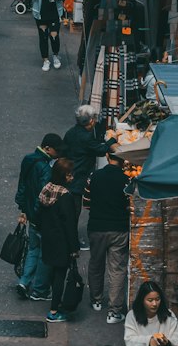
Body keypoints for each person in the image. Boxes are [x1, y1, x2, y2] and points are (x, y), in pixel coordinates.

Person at [15, 132, 63, 301]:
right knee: (44, 253)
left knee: (33, 249)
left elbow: (22, 185)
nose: (58, 154)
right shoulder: (45, 169)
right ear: (48, 149)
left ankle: (24, 281)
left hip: (29, 213)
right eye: (57, 151)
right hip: (40, 217)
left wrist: (23, 210)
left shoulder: (28, 159)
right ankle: (39, 290)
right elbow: (43, 196)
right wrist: (38, 213)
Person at [36, 155, 80, 324]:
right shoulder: (65, 196)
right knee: (60, 275)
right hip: (62, 242)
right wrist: (74, 248)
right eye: (69, 175)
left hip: (48, 238)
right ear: (63, 176)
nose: (72, 177)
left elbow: (40, 215)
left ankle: (51, 300)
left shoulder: (46, 190)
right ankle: (54, 310)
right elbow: (70, 225)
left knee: (53, 272)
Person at [87, 150, 130, 323]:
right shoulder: (126, 181)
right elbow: (130, 205)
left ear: (107, 157)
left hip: (97, 227)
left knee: (96, 264)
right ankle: (114, 311)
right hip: (119, 229)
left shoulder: (94, 177)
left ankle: (96, 300)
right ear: (124, 160)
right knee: (117, 269)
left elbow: (86, 202)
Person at [63, 107, 112, 215]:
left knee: (69, 208)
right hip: (78, 175)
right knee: (74, 210)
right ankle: (70, 231)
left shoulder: (70, 132)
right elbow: (101, 150)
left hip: (69, 172)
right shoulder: (86, 137)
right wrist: (113, 139)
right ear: (91, 121)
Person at [125, 280, 178, 346]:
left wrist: (168, 342)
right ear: (142, 300)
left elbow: (177, 339)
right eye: (150, 300)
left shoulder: (169, 315)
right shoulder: (132, 315)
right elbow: (129, 339)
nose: (154, 304)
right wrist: (149, 341)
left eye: (157, 299)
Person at [29, 0, 68, 72]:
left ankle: (55, 55)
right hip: (40, 12)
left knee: (54, 35)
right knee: (43, 36)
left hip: (54, 10)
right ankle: (45, 59)